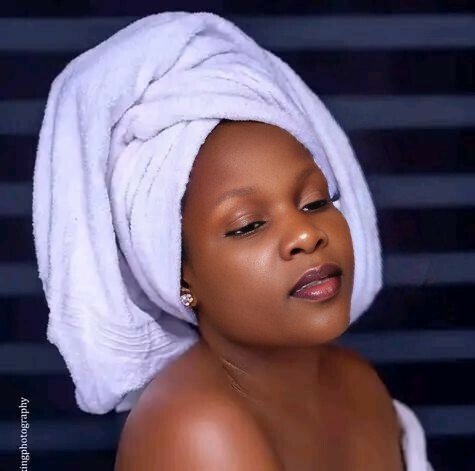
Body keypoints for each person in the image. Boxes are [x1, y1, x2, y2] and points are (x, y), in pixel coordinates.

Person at [32, 12, 432, 470]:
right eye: (247, 226)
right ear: (180, 276)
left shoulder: (357, 381)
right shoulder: (195, 430)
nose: (306, 234)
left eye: (316, 201)